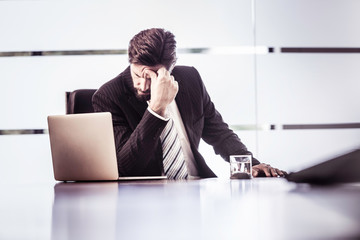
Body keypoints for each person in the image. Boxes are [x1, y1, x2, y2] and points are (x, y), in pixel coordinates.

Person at [92, 28, 286, 179]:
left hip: (197, 185)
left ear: (171, 68)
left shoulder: (190, 79)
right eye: (137, 75)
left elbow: (218, 132)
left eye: (152, 78)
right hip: (145, 193)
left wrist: (251, 164)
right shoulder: (109, 96)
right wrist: (156, 108)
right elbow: (126, 168)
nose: (143, 85)